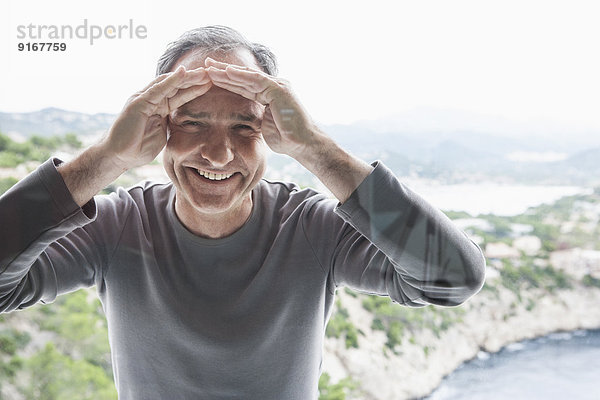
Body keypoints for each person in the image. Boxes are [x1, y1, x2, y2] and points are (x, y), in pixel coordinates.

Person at [0, 26, 485, 399]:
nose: (218, 154)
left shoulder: (312, 227)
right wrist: (108, 157)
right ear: (158, 126)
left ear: (273, 133)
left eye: (244, 127)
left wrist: (315, 147)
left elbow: (452, 278)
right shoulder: (116, 226)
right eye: (192, 122)